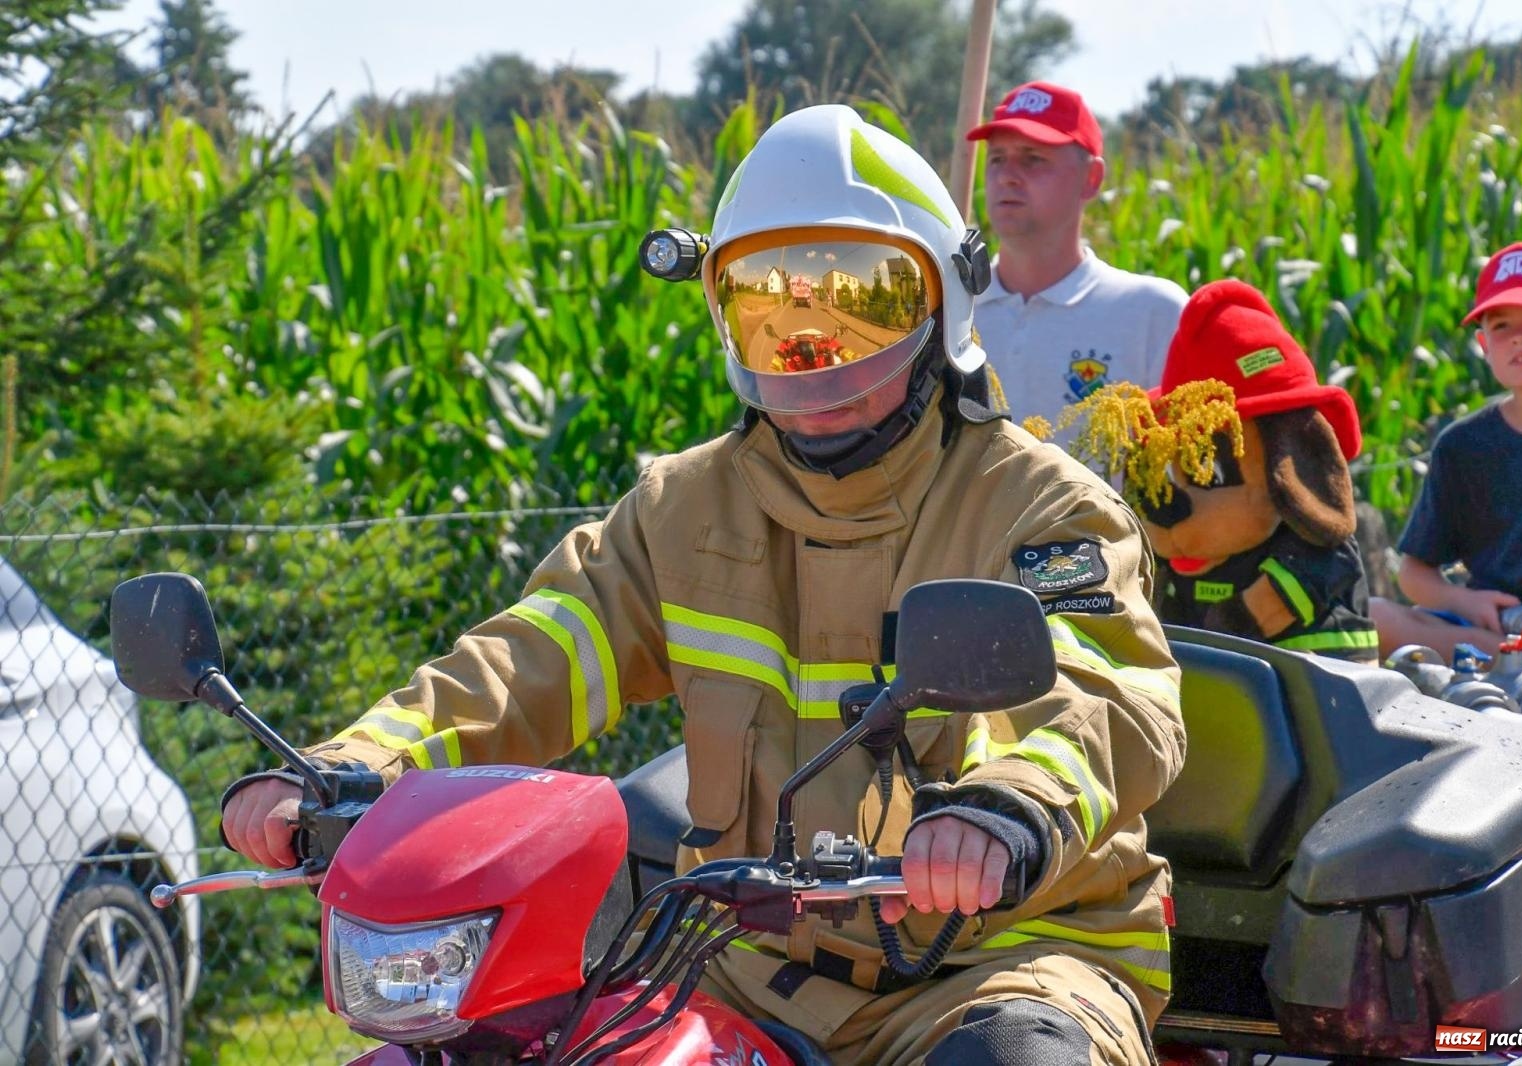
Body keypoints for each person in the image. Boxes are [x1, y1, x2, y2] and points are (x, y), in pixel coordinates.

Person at [221, 105, 1185, 1066]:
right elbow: (530, 657)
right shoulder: (681, 508)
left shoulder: (1044, 509)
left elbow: (1100, 690)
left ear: (941, 304)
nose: (818, 356)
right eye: (773, 315)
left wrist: (1005, 809)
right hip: (744, 961)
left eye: (861, 308)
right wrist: (356, 765)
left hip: (1005, 963)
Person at [1371, 240, 1522, 661]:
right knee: (1373, 618)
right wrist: (1465, 603)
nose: (1520, 338)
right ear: (1483, 345)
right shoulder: (1464, 445)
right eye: (1501, 326)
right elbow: (1415, 573)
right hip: (1491, 629)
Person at [966, 82, 1187, 447]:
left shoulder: (1151, 313)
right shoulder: (948, 310)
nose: (1007, 176)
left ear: (1091, 178)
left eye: (1033, 158)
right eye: (997, 159)